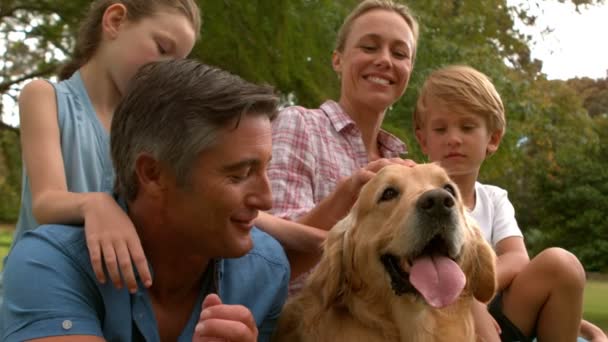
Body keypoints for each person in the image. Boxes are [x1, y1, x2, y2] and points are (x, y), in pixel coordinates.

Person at [0, 59, 290, 342]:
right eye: (239, 174)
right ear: (153, 174)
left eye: (267, 168)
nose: (266, 199)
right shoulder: (50, 264)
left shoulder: (267, 271)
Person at [2, 0, 201, 300]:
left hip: (111, 304)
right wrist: (97, 204)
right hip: (41, 291)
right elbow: (45, 203)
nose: (165, 75)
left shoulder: (150, 132)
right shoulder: (45, 97)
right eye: (162, 48)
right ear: (115, 21)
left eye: (175, 65)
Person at [413, 64, 607, 342]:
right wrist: (467, 305)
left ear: (492, 139)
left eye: (467, 127)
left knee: (562, 264)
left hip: (495, 316)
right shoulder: (418, 201)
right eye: (440, 129)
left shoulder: (493, 198)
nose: (453, 139)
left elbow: (517, 258)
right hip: (433, 319)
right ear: (423, 139)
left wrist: (475, 296)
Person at [263, 0, 418, 289]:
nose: (385, 60)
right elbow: (268, 252)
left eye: (399, 53)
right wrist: (348, 193)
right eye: (369, 47)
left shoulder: (404, 166)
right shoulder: (300, 125)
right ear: (338, 60)